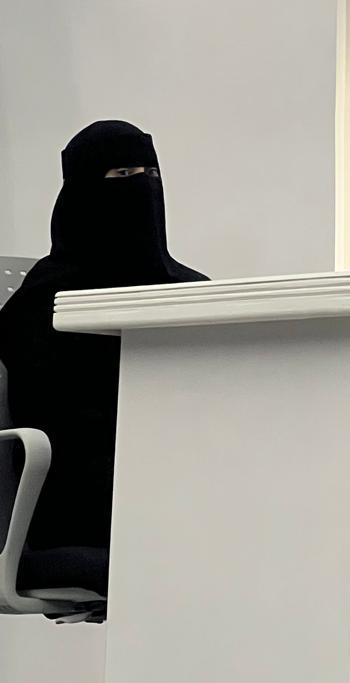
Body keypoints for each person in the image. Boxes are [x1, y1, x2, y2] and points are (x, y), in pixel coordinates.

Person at [0, 120, 207, 595]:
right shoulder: (46, 301)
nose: (142, 188)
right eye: (122, 175)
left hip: (177, 492)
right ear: (81, 192)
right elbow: (66, 429)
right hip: (83, 509)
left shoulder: (189, 290)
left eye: (150, 174)